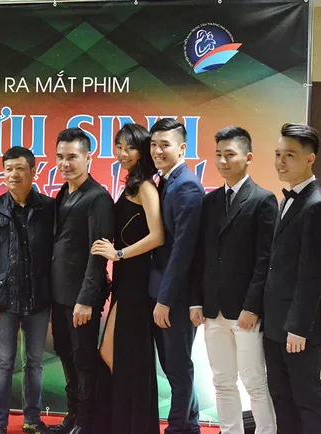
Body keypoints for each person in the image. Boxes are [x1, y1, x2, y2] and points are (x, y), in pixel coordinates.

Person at [189, 126, 277, 434]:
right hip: (213, 309)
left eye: (230, 154)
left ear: (248, 157)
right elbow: (200, 256)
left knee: (254, 381)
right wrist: (196, 301)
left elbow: (266, 261)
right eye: (218, 155)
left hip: (246, 312)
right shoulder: (210, 201)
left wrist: (253, 306)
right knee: (222, 381)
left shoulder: (264, 200)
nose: (223, 161)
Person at [0, 147, 55, 434]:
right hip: (2, 301)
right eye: (8, 169)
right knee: (4, 363)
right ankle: (0, 423)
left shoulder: (49, 208)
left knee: (34, 362)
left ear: (33, 171)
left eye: (20, 168)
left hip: (38, 298)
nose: (13, 174)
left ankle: (32, 419)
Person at [263, 123, 321, 434]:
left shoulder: (317, 205)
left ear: (310, 159)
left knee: (308, 399)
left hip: (298, 329)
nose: (280, 162)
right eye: (278, 154)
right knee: (282, 399)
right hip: (275, 323)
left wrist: (297, 327)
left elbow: (313, 275)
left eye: (289, 155)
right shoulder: (288, 199)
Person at [90, 123, 163, 434]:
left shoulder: (145, 186)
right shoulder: (132, 184)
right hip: (124, 280)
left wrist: (118, 254)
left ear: (142, 151)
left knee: (120, 354)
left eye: (129, 147)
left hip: (136, 281)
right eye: (118, 146)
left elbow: (158, 236)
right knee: (118, 355)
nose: (122, 153)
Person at [49, 128, 114, 434]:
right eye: (60, 157)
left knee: (84, 360)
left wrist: (86, 300)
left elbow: (98, 254)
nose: (65, 163)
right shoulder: (62, 193)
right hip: (59, 294)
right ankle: (73, 416)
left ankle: (87, 423)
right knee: (66, 355)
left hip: (82, 299)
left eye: (72, 157)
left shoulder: (98, 198)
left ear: (88, 157)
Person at [148, 118, 204, 434]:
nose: (158, 151)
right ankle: (189, 424)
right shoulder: (166, 180)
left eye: (165, 145)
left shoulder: (186, 186)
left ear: (182, 148)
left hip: (177, 297)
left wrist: (165, 300)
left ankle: (178, 427)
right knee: (173, 366)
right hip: (163, 292)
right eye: (154, 144)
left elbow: (184, 251)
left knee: (178, 367)